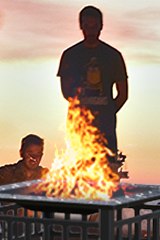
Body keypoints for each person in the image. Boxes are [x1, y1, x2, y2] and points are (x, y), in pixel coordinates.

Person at [57, 6, 128, 154]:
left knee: (106, 171)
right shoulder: (70, 55)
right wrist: (82, 109)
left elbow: (123, 94)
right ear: (81, 26)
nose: (90, 31)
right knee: (78, 171)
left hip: (106, 131)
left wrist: (108, 112)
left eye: (94, 26)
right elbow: (66, 91)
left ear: (101, 26)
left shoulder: (113, 56)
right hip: (78, 128)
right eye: (87, 26)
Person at [0, 134, 48, 207]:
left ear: (42, 155)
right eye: (30, 154)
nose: (34, 159)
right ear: (22, 153)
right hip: (10, 216)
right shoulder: (7, 172)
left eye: (38, 155)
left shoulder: (45, 175)